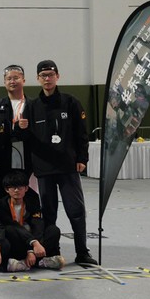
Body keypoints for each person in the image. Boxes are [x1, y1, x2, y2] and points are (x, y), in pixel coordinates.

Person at [22, 59, 97, 266]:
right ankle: (52, 252)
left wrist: (82, 158)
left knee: (76, 210)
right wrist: (20, 129)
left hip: (67, 167)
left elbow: (82, 133)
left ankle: (82, 251)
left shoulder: (71, 102)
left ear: (57, 76)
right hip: (43, 168)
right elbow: (26, 139)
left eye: (50, 75)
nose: (47, 79)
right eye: (43, 75)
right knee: (48, 213)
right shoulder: (32, 106)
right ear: (38, 79)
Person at [0, 171, 64, 272]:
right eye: (13, 188)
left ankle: (35, 261)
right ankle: (37, 261)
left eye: (20, 187)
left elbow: (37, 224)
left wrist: (34, 246)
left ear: (26, 188)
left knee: (53, 230)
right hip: (17, 240)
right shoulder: (0, 205)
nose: (17, 190)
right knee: (9, 230)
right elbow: (11, 226)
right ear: (7, 190)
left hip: (32, 238)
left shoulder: (32, 200)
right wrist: (31, 248)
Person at [0, 65, 32, 199]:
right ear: (4, 82)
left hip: (26, 155)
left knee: (24, 189)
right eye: (9, 79)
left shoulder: (32, 105)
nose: (12, 81)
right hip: (4, 155)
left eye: (16, 78)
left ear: (23, 80)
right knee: (3, 189)